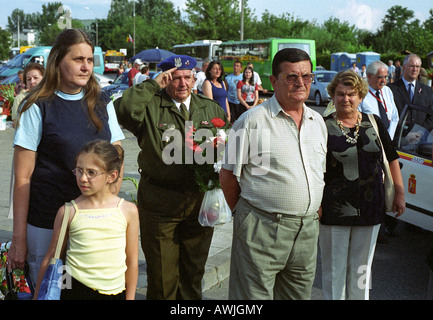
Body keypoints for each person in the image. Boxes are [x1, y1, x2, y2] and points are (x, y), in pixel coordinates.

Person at [7, 28, 125, 284]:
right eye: (78, 59)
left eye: (90, 60)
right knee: (51, 289)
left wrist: (109, 205)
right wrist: (19, 238)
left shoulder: (103, 102)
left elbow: (117, 157)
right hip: (47, 224)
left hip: (94, 223)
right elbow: (23, 176)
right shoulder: (38, 106)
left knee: (87, 290)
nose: (86, 67)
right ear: (58, 61)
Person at [114, 55, 229, 300]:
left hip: (199, 204)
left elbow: (225, 145)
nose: (182, 84)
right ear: (166, 79)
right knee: (162, 279)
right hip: (160, 203)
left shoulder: (209, 108)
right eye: (175, 78)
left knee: (193, 275)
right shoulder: (150, 105)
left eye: (187, 77)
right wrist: (153, 84)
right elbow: (122, 110)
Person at [220, 48, 327, 300]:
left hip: (306, 232)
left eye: (306, 76)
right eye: (291, 77)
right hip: (261, 229)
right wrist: (248, 216)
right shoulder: (250, 121)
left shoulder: (317, 121)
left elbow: (318, 173)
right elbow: (227, 177)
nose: (300, 83)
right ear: (273, 81)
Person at [320, 70, 405, 300]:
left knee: (361, 271)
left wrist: (399, 192)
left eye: (351, 94)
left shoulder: (373, 122)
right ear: (333, 95)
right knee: (334, 270)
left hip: (370, 208)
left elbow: (392, 157)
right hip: (333, 209)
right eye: (340, 94)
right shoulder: (322, 126)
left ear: (360, 96)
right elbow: (314, 167)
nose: (345, 99)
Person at [34, 140, 139, 300]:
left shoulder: (128, 211)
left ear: (112, 176)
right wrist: (37, 296)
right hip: (75, 290)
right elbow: (51, 257)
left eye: (91, 172)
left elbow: (131, 262)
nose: (83, 178)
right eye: (79, 170)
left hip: (115, 292)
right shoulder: (69, 211)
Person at [388, 54, 433, 130]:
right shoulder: (391, 89)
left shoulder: (427, 91)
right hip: (399, 138)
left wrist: (420, 132)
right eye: (412, 66)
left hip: (421, 138)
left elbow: (431, 115)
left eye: (418, 66)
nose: (415, 69)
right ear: (404, 67)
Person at [358, 60, 399, 139]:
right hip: (369, 140)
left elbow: (394, 117)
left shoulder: (387, 91)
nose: (383, 81)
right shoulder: (360, 93)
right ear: (369, 76)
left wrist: (388, 138)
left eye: (386, 77)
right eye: (380, 77)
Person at [11, 63, 45, 128]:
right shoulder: (21, 98)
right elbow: (16, 124)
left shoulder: (53, 96)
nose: (32, 82)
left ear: (44, 79)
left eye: (36, 78)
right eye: (29, 79)